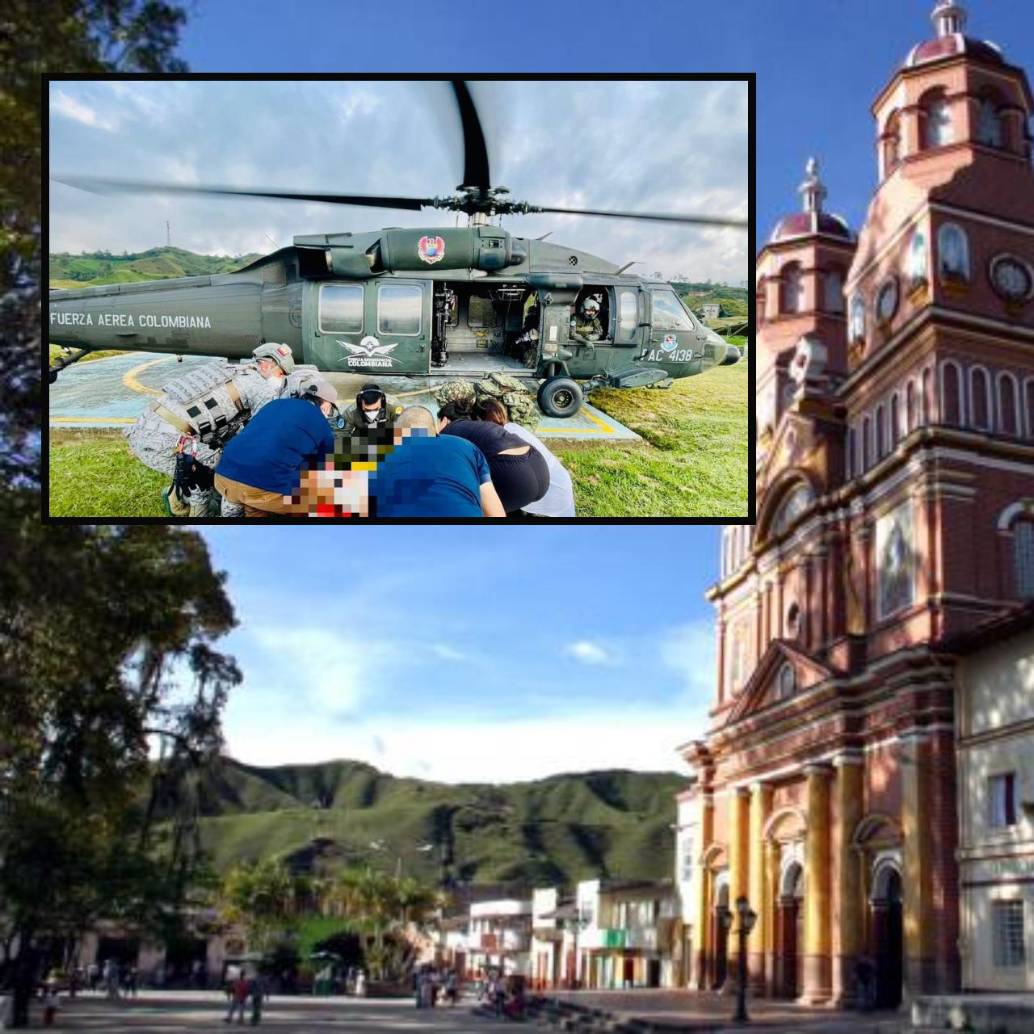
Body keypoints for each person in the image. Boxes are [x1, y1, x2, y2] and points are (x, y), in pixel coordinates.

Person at [125, 342, 307, 516]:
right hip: (165, 442)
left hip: (143, 430)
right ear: (266, 366)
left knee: (211, 463)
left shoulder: (227, 369)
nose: (281, 380)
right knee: (228, 475)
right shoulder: (259, 387)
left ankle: (179, 497)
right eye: (282, 374)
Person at [214, 377, 338, 517]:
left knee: (255, 502)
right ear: (326, 405)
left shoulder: (274, 404)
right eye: (330, 410)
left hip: (223, 475)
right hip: (260, 488)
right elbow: (326, 465)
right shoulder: (320, 422)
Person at [368, 406, 506, 518]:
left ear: (396, 435)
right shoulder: (466, 447)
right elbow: (496, 513)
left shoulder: (374, 457)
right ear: (435, 430)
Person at [437, 398, 549, 516]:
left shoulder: (449, 430)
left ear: (445, 419)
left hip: (514, 475)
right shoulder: (478, 428)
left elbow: (422, 443)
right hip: (540, 469)